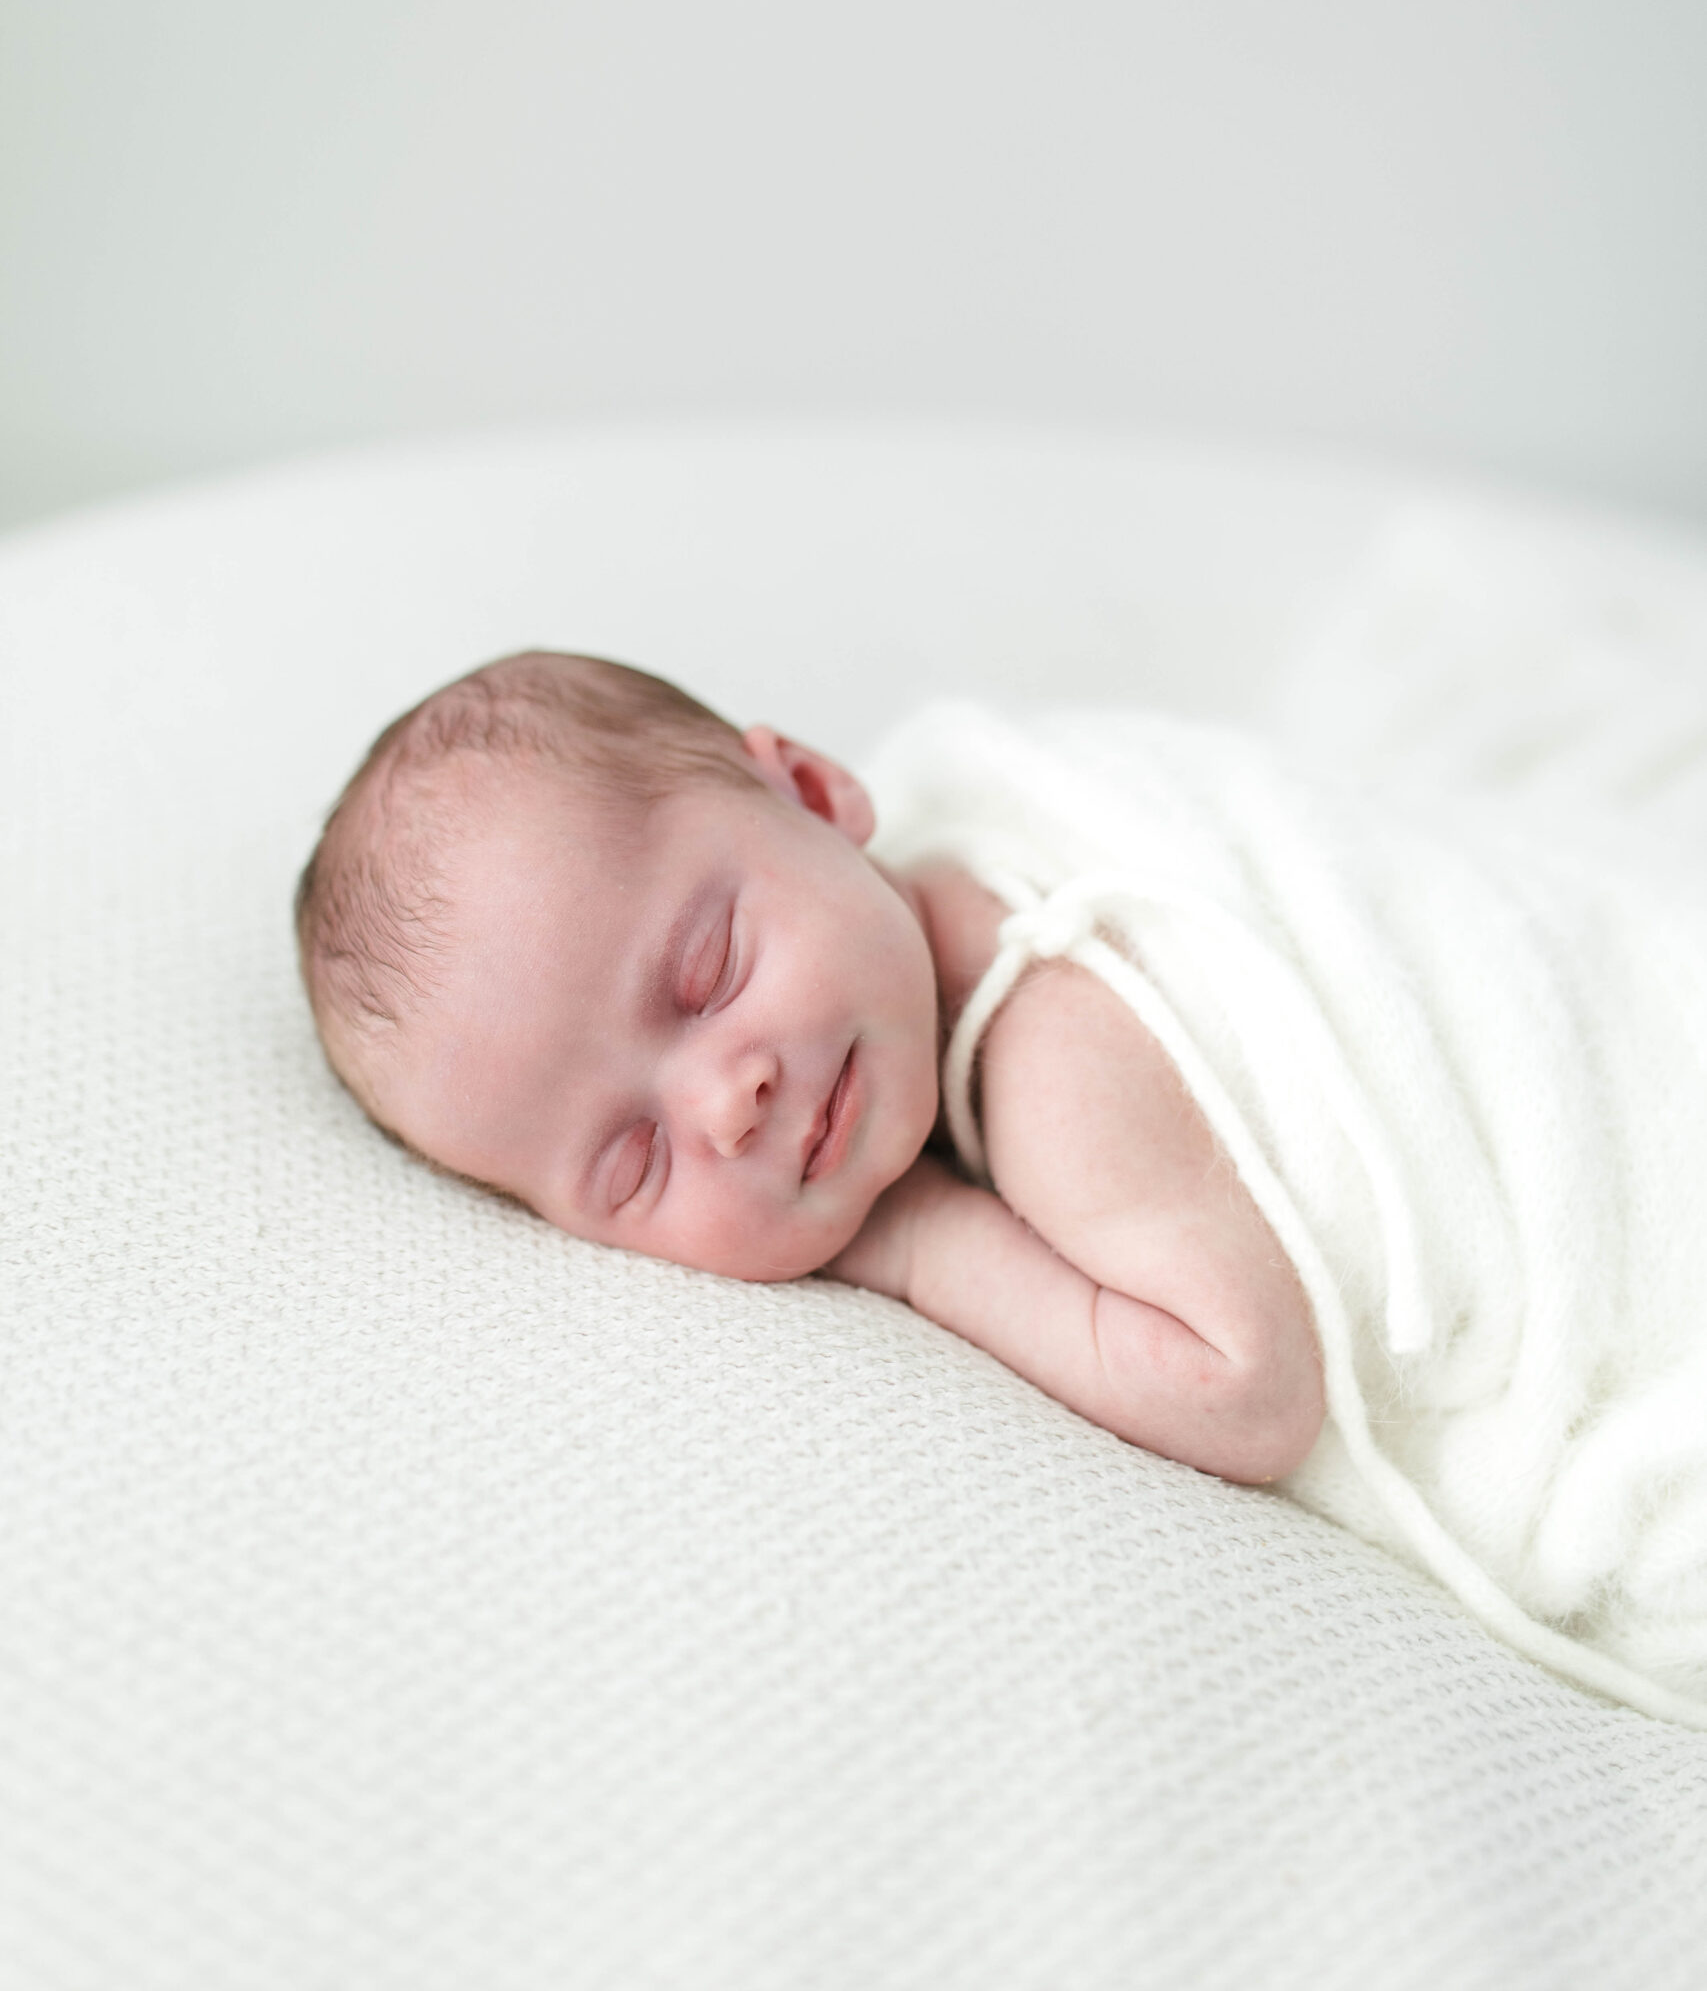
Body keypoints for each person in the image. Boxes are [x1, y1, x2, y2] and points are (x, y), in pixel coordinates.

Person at [296, 648, 1707, 1726]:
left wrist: (919, 1244)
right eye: (632, 1160)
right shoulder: (939, 858)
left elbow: (1245, 1384)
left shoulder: (1051, 1051)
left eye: (707, 971)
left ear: (811, 791)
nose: (725, 1100)